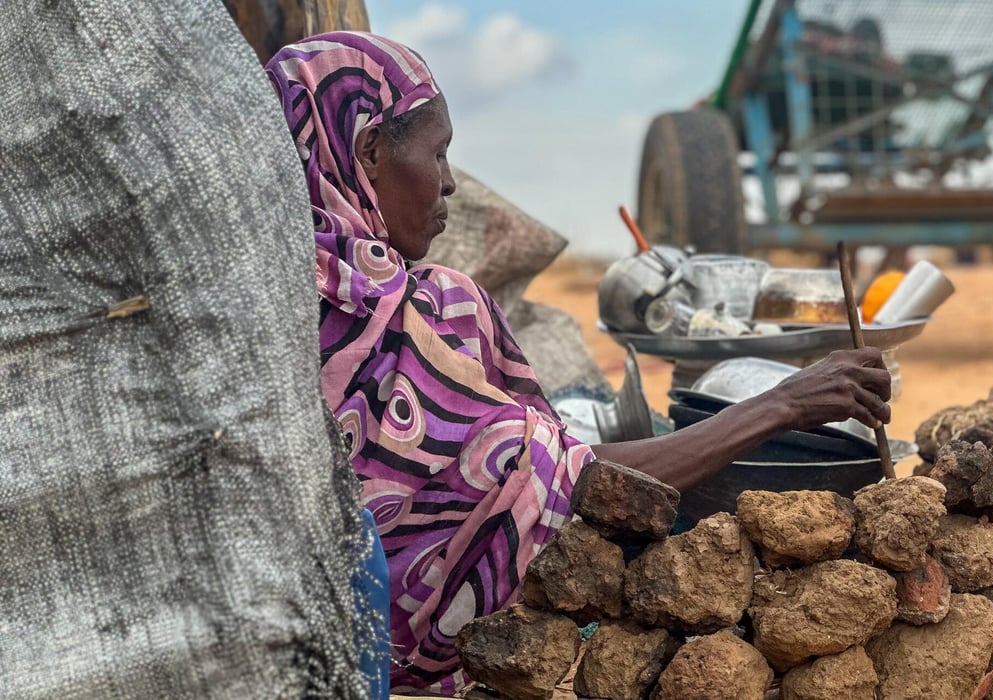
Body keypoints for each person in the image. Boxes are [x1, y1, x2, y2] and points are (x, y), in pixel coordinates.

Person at [266, 32, 892, 694]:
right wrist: (786, 404)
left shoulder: (408, 304)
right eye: (439, 152)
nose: (449, 181)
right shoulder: (353, 325)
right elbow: (575, 486)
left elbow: (552, 464)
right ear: (369, 152)